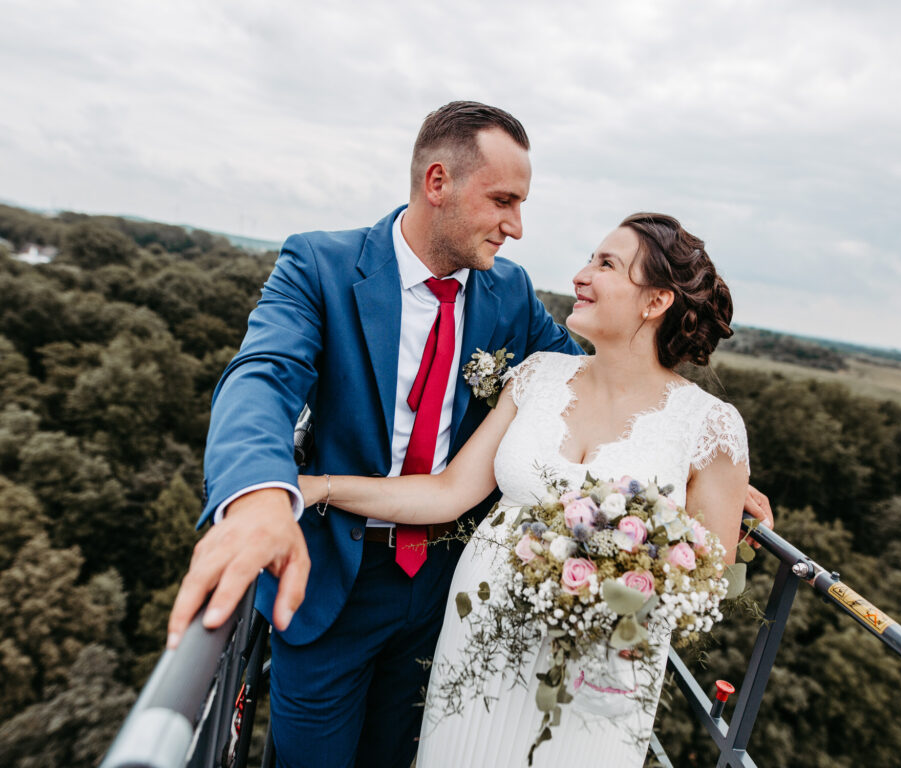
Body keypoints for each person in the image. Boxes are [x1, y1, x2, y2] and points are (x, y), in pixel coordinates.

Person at [167, 101, 773, 768]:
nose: (517, 227)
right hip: (333, 582)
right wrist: (259, 493)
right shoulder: (320, 265)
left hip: (449, 595)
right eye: (504, 200)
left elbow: (615, 387)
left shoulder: (510, 297)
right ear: (437, 183)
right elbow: (261, 378)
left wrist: (704, 477)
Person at [297, 212, 750, 767]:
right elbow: (446, 493)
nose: (581, 275)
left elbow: (710, 581)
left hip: (601, 667)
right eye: (589, 257)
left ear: (655, 302)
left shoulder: (711, 426)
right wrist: (317, 486)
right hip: (479, 640)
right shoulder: (539, 375)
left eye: (606, 264)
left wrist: (614, 590)